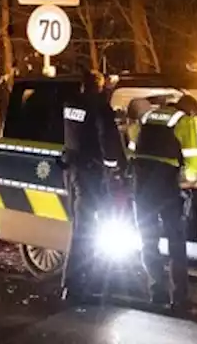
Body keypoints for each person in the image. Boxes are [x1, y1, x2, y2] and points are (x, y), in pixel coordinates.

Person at [130, 93, 197, 314]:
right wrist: (191, 179)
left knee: (148, 239)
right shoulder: (184, 120)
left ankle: (157, 292)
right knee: (175, 241)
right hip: (166, 183)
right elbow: (192, 157)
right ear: (189, 110)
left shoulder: (147, 116)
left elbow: (132, 147)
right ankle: (179, 298)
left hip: (141, 182)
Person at [60, 68, 126, 304]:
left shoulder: (70, 103)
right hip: (92, 174)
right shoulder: (99, 108)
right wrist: (117, 168)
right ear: (98, 86)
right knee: (91, 230)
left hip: (73, 171)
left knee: (82, 228)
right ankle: (78, 285)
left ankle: (82, 282)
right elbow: (109, 141)